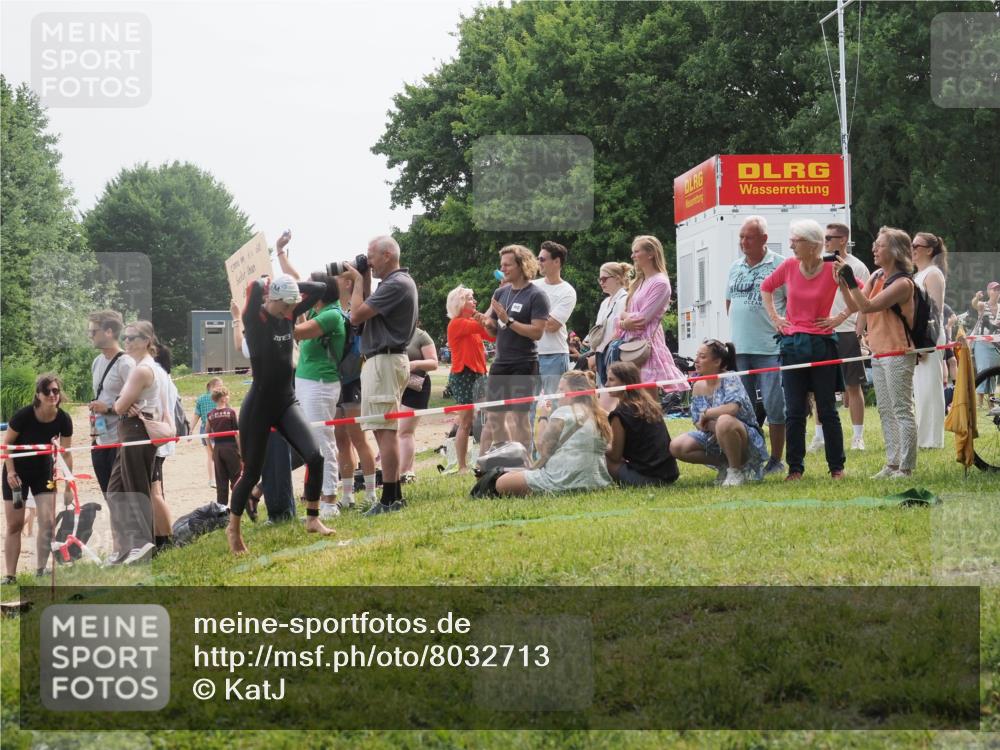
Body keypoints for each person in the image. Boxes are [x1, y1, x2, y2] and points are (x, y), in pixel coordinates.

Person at [227, 274, 335, 554]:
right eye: (287, 305)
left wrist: (289, 287)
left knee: (315, 455)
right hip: (259, 406)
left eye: (292, 306)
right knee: (250, 473)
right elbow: (251, 287)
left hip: (286, 402)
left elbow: (320, 288)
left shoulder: (289, 313)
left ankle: (312, 518)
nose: (292, 313)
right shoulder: (255, 318)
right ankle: (234, 530)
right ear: (273, 299)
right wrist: (271, 284)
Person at [761, 219, 847, 480]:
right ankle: (795, 468)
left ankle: (837, 468)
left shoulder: (833, 268)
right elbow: (766, 288)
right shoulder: (788, 267)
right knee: (795, 410)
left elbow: (859, 296)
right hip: (793, 345)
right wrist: (776, 318)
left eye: (795, 241)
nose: (791, 246)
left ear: (812, 245)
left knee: (827, 409)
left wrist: (838, 318)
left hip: (822, 344)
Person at [340, 235, 418, 516]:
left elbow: (357, 316)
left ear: (387, 255)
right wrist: (366, 278)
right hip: (384, 359)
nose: (368, 260)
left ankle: (389, 499)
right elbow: (369, 309)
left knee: (385, 432)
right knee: (384, 429)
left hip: (384, 361)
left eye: (371, 256)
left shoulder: (397, 283)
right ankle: (393, 494)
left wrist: (359, 283)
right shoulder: (394, 284)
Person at [835, 226, 918, 478]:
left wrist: (850, 279)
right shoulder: (878, 275)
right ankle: (892, 463)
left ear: (895, 251)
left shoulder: (903, 283)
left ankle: (906, 467)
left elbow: (869, 305)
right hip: (879, 352)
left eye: (879, 245)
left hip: (898, 351)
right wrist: (842, 283)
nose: (874, 248)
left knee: (902, 409)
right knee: (885, 409)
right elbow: (856, 307)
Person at [274, 234, 347, 518]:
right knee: (314, 441)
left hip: (319, 383)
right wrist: (281, 254)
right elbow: (296, 279)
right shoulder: (324, 309)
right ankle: (321, 498)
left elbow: (295, 331)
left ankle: (329, 501)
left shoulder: (331, 315)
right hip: (310, 382)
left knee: (322, 441)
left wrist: (281, 309)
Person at [725, 216, 786, 475]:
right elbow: (729, 302)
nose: (743, 242)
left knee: (774, 405)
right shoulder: (735, 267)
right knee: (743, 407)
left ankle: (776, 458)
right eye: (741, 237)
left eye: (749, 237)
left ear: (764, 239)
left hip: (770, 348)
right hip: (741, 349)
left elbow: (791, 301)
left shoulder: (780, 265)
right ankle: (751, 458)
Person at [474, 245, 550, 454]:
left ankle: (523, 463)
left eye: (507, 265)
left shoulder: (536, 295)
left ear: (522, 265)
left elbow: (537, 332)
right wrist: (486, 323)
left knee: (519, 416)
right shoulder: (500, 292)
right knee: (494, 415)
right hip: (500, 363)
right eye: (501, 265)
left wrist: (508, 321)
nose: (503, 269)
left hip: (524, 363)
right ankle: (505, 456)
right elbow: (493, 331)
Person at [494, 370, 612, 496]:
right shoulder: (602, 415)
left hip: (561, 479)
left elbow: (542, 448)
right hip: (596, 481)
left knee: (501, 483)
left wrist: (543, 416)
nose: (557, 393)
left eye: (561, 389)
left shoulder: (563, 413)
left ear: (575, 392)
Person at [2, 374, 74, 582]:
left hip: (43, 472)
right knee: (15, 524)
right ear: (38, 395)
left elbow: (66, 454)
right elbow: (7, 445)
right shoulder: (23, 415)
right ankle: (10, 576)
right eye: (47, 391)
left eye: (56, 391)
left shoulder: (63, 418)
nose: (52, 395)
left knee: (48, 522)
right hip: (16, 471)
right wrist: (11, 472)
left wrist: (69, 485)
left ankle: (41, 570)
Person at [107, 321, 166, 565]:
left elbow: (119, 406)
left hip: (136, 432)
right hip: (130, 432)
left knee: (136, 490)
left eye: (132, 337)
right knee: (115, 491)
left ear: (146, 341)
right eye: (126, 337)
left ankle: (143, 544)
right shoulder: (145, 367)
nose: (127, 342)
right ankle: (126, 546)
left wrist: (121, 400)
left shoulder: (142, 369)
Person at [670, 341, 768, 486]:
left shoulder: (730, 378)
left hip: (744, 436)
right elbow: (698, 420)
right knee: (676, 446)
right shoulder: (698, 385)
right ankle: (725, 465)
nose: (696, 360)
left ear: (717, 362)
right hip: (712, 435)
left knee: (724, 421)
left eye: (702, 357)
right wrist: (711, 425)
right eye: (697, 356)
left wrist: (707, 413)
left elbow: (732, 409)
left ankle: (736, 470)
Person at [808, 223, 871, 452]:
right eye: (823, 237)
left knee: (853, 386)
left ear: (842, 240)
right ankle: (819, 436)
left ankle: (857, 437)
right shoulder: (818, 264)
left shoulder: (857, 266)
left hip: (846, 330)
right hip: (822, 331)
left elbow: (863, 301)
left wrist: (858, 328)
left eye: (829, 237)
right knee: (818, 387)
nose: (824, 241)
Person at [230, 299, 289, 520]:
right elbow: (242, 347)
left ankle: (263, 495)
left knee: (287, 452)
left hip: (277, 396)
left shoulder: (265, 327)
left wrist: (237, 318)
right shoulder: (273, 324)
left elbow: (240, 346)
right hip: (276, 396)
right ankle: (264, 500)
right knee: (267, 456)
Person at [612, 235, 689, 393]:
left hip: (646, 347)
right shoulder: (640, 282)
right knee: (634, 396)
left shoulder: (660, 282)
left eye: (636, 251)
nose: (632, 256)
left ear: (651, 254)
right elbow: (626, 314)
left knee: (646, 396)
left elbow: (642, 319)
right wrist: (624, 320)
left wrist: (623, 319)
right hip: (631, 344)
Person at [86, 310, 135, 557]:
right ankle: (120, 548)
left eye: (93, 331)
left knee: (121, 497)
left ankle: (125, 547)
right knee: (109, 496)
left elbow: (137, 403)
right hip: (100, 439)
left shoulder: (126, 363)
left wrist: (109, 408)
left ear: (108, 332)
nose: (89, 336)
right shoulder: (97, 362)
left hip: (120, 441)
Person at [328, 274, 379, 510]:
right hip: (336, 380)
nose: (331, 281)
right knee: (340, 440)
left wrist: (359, 279)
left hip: (353, 381)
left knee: (358, 438)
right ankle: (347, 494)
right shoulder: (332, 309)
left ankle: (370, 493)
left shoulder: (353, 312)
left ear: (348, 283)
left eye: (337, 278)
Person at [604, 361, 679, 486]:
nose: (606, 384)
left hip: (648, 479)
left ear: (625, 382)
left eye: (611, 380)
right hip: (669, 473)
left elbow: (615, 456)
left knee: (603, 457)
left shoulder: (619, 414)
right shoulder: (650, 404)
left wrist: (601, 445)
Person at [445, 285, 493, 473]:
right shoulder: (456, 323)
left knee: (486, 417)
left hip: (479, 373)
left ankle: (483, 461)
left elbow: (491, 335)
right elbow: (483, 324)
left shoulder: (472, 322)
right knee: (466, 421)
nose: (474, 301)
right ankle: (462, 466)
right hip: (463, 374)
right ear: (461, 303)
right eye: (470, 298)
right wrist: (492, 305)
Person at [911, 231, 948, 448]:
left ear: (929, 250)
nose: (913, 249)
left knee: (930, 388)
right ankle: (922, 436)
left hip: (929, 337)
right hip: (917, 338)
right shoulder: (917, 275)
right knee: (920, 388)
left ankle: (932, 440)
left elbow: (936, 312)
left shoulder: (933, 274)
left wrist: (926, 342)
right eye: (912, 244)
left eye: (917, 245)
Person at [532, 241, 577, 407]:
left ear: (557, 261)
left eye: (543, 259)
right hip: (529, 355)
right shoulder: (532, 286)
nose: (539, 263)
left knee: (558, 406)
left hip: (554, 356)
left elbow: (552, 326)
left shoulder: (567, 291)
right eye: (538, 258)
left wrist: (530, 317)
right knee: (526, 407)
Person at [398, 324, 439, 483]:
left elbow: (434, 363)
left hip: (416, 387)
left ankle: (405, 473)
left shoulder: (421, 336)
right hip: (396, 386)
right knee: (398, 432)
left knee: (405, 431)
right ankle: (405, 470)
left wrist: (414, 364)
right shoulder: (391, 332)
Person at [151, 345, 177, 553]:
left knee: (155, 491)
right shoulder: (167, 378)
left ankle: (164, 539)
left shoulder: (156, 375)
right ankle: (162, 536)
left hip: (155, 439)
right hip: (163, 439)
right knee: (158, 490)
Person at [586, 262, 630, 386]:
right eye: (599, 279)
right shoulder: (605, 302)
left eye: (604, 279)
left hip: (614, 354)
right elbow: (597, 331)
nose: (601, 282)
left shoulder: (625, 299)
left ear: (617, 278)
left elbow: (619, 332)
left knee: (613, 394)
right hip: (601, 353)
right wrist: (594, 353)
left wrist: (599, 352)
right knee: (603, 393)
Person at [206, 386, 241, 507]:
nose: (228, 397)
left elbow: (207, 434)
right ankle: (238, 508)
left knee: (221, 482)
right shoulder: (231, 412)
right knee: (236, 478)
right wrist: (241, 451)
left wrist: (211, 450)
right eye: (227, 395)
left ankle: (221, 510)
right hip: (231, 448)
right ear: (223, 399)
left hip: (218, 449)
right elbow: (236, 434)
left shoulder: (210, 415)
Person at [971, 282, 1000, 408]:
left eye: (998, 289)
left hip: (996, 345)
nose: (997, 292)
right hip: (982, 343)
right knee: (983, 370)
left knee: (994, 372)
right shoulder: (983, 305)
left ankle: (992, 403)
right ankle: (979, 403)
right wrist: (977, 297)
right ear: (989, 292)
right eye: (994, 289)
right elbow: (974, 304)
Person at [191, 377, 223, 489]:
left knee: (213, 456)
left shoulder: (202, 399)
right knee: (214, 455)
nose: (221, 387)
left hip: (211, 430)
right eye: (219, 385)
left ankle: (213, 480)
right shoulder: (219, 398)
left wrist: (190, 430)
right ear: (212, 386)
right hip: (214, 430)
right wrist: (190, 430)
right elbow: (196, 415)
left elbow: (196, 416)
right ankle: (214, 480)